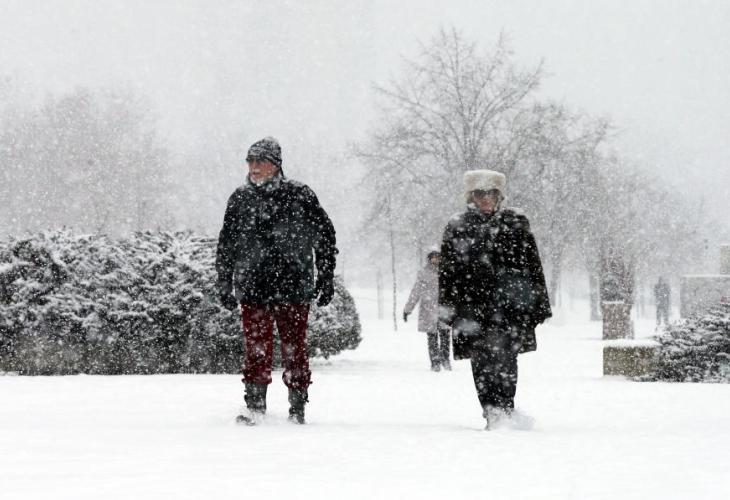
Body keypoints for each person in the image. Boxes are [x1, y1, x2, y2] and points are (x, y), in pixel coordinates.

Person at [215, 137, 338, 425]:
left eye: (261, 161)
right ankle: (255, 406)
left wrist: (326, 275)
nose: (254, 167)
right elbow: (226, 244)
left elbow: (324, 236)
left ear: (276, 165)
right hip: (253, 286)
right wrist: (224, 281)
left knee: (295, 349)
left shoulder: (300, 195)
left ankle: (297, 407)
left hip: (293, 286)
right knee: (256, 350)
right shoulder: (240, 199)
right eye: (250, 161)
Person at [438, 169, 552, 429]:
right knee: (481, 360)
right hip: (472, 307)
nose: (486, 199)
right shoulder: (458, 225)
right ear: (471, 196)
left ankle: (506, 408)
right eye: (480, 193)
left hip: (509, 307)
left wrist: (539, 304)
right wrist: (448, 307)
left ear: (500, 195)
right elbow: (447, 272)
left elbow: (533, 264)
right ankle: (491, 410)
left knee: (507, 358)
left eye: (492, 193)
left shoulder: (516, 222)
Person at [404, 248, 451, 372]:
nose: (436, 259)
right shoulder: (423, 273)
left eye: (438, 257)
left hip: (444, 310)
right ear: (429, 259)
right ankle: (435, 362)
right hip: (429, 310)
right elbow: (415, 292)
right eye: (433, 257)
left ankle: (445, 360)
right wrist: (408, 309)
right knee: (432, 338)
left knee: (445, 336)